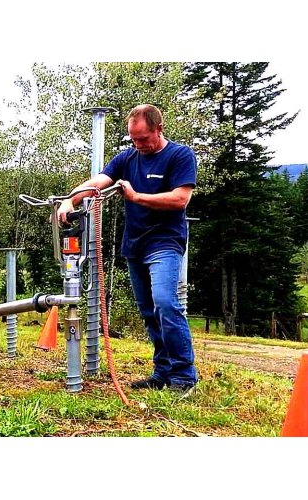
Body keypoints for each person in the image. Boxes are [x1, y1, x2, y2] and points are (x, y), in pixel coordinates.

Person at [58, 104, 198, 397]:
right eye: (133, 139)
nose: (139, 145)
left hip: (165, 242)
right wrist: (70, 200)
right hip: (135, 245)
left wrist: (136, 197)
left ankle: (185, 377)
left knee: (165, 303)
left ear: (159, 129)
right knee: (149, 312)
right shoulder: (127, 158)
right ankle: (162, 373)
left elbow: (180, 199)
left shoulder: (179, 156)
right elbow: (99, 182)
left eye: (143, 138)